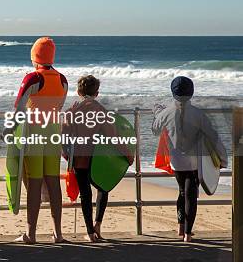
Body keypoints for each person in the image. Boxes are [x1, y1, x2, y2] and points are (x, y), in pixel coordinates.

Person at [152, 76, 227, 242]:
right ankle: (187, 233)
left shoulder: (166, 113)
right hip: (195, 163)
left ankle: (180, 227)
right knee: (191, 196)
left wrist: (157, 112)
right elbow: (214, 137)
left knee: (181, 191)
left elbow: (155, 130)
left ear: (173, 93)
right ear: (191, 93)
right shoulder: (199, 114)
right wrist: (223, 159)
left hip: (176, 162)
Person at [61, 75, 134, 242]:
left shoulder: (72, 112)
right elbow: (113, 137)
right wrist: (128, 155)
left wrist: (67, 157)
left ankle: (90, 233)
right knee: (104, 188)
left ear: (78, 91)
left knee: (85, 195)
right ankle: (97, 225)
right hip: (98, 161)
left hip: (79, 160)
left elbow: (63, 138)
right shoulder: (100, 110)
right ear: (97, 93)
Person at [12, 37, 67, 244]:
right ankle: (58, 234)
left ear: (35, 56)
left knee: (34, 183)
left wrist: (9, 131)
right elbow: (59, 106)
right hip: (53, 132)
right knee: (53, 182)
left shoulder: (32, 78)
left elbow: (18, 108)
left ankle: (30, 234)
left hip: (34, 133)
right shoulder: (63, 79)